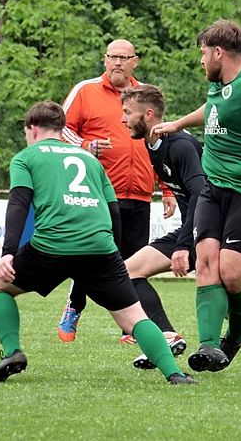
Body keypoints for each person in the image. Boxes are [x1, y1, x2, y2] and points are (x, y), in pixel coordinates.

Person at [0, 101, 194, 385]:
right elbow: (113, 210)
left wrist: (8, 253)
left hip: (52, 245)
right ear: (61, 129)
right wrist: (114, 254)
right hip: (100, 248)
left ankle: (12, 352)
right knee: (133, 317)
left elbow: (19, 204)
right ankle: (175, 374)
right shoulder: (90, 160)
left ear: (31, 129)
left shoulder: (26, 157)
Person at [122, 85, 241, 375]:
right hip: (190, 229)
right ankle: (169, 336)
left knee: (228, 306)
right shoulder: (153, 144)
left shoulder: (180, 145)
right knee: (129, 272)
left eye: (127, 112)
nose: (122, 119)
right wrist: (170, 195)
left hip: (205, 230)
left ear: (148, 115)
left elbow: (200, 192)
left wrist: (184, 245)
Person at [152, 19, 241, 373]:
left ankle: (236, 336)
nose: (201, 61)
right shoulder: (218, 86)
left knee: (231, 273)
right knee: (206, 263)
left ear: (217, 52)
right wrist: (178, 124)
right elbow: (212, 110)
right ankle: (209, 346)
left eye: (202, 54)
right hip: (215, 190)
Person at [55, 39, 174, 342]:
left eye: (124, 57)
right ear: (104, 59)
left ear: (135, 61)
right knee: (94, 255)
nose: (117, 62)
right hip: (100, 192)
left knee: (133, 264)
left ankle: (129, 327)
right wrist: (86, 145)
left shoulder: (145, 95)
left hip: (140, 193)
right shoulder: (86, 90)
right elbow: (62, 129)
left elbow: (158, 140)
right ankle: (74, 306)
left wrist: (167, 188)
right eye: (112, 57)